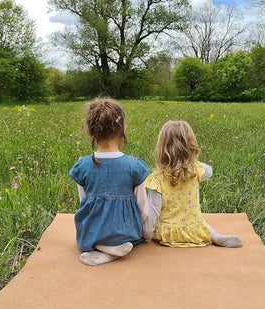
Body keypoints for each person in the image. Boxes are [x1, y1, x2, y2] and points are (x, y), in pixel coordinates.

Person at [69, 99, 150, 266]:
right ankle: (113, 250)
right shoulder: (134, 166)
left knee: (93, 233)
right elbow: (143, 208)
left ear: (91, 133)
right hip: (126, 233)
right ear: (123, 130)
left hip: (90, 234)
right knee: (130, 236)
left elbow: (83, 202)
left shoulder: (82, 166)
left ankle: (100, 247)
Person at [143, 120, 242, 248]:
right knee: (203, 223)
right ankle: (215, 236)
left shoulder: (157, 178)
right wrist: (192, 161)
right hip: (194, 230)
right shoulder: (196, 170)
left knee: (156, 221)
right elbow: (210, 171)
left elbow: (153, 212)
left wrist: (145, 233)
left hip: (168, 233)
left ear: (161, 147)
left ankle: (215, 236)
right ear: (191, 145)